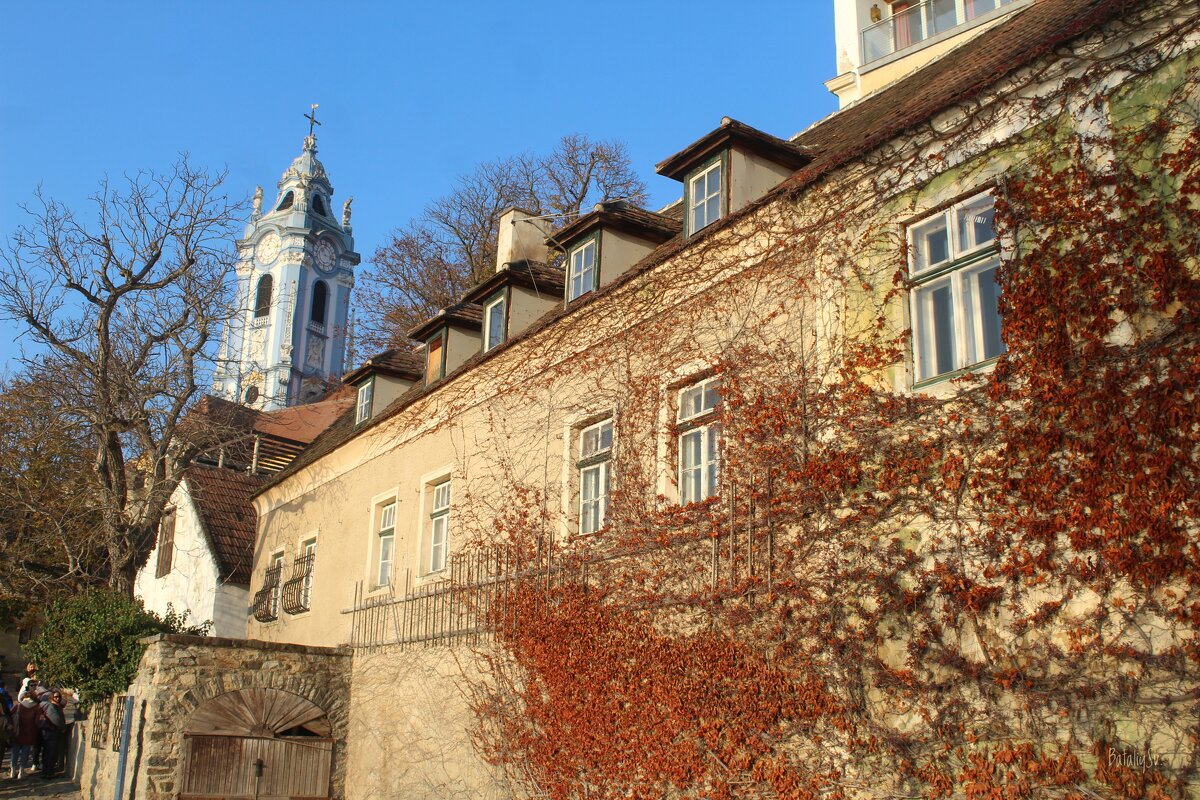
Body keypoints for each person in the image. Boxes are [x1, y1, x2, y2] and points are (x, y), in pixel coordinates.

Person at [11, 692, 40, 779]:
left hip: (17, 731)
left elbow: (10, 714)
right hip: (29, 733)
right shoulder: (36, 707)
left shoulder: (18, 706)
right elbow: (37, 722)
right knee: (25, 752)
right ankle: (21, 771)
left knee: (15, 751)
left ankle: (12, 770)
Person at [38, 690, 66, 780]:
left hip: (50, 732)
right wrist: (62, 727)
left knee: (48, 753)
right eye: (56, 697)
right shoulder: (51, 706)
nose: (58, 698)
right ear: (51, 698)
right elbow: (56, 719)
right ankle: (48, 773)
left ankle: (47, 772)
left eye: (59, 697)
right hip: (52, 733)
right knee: (50, 754)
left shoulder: (55, 706)